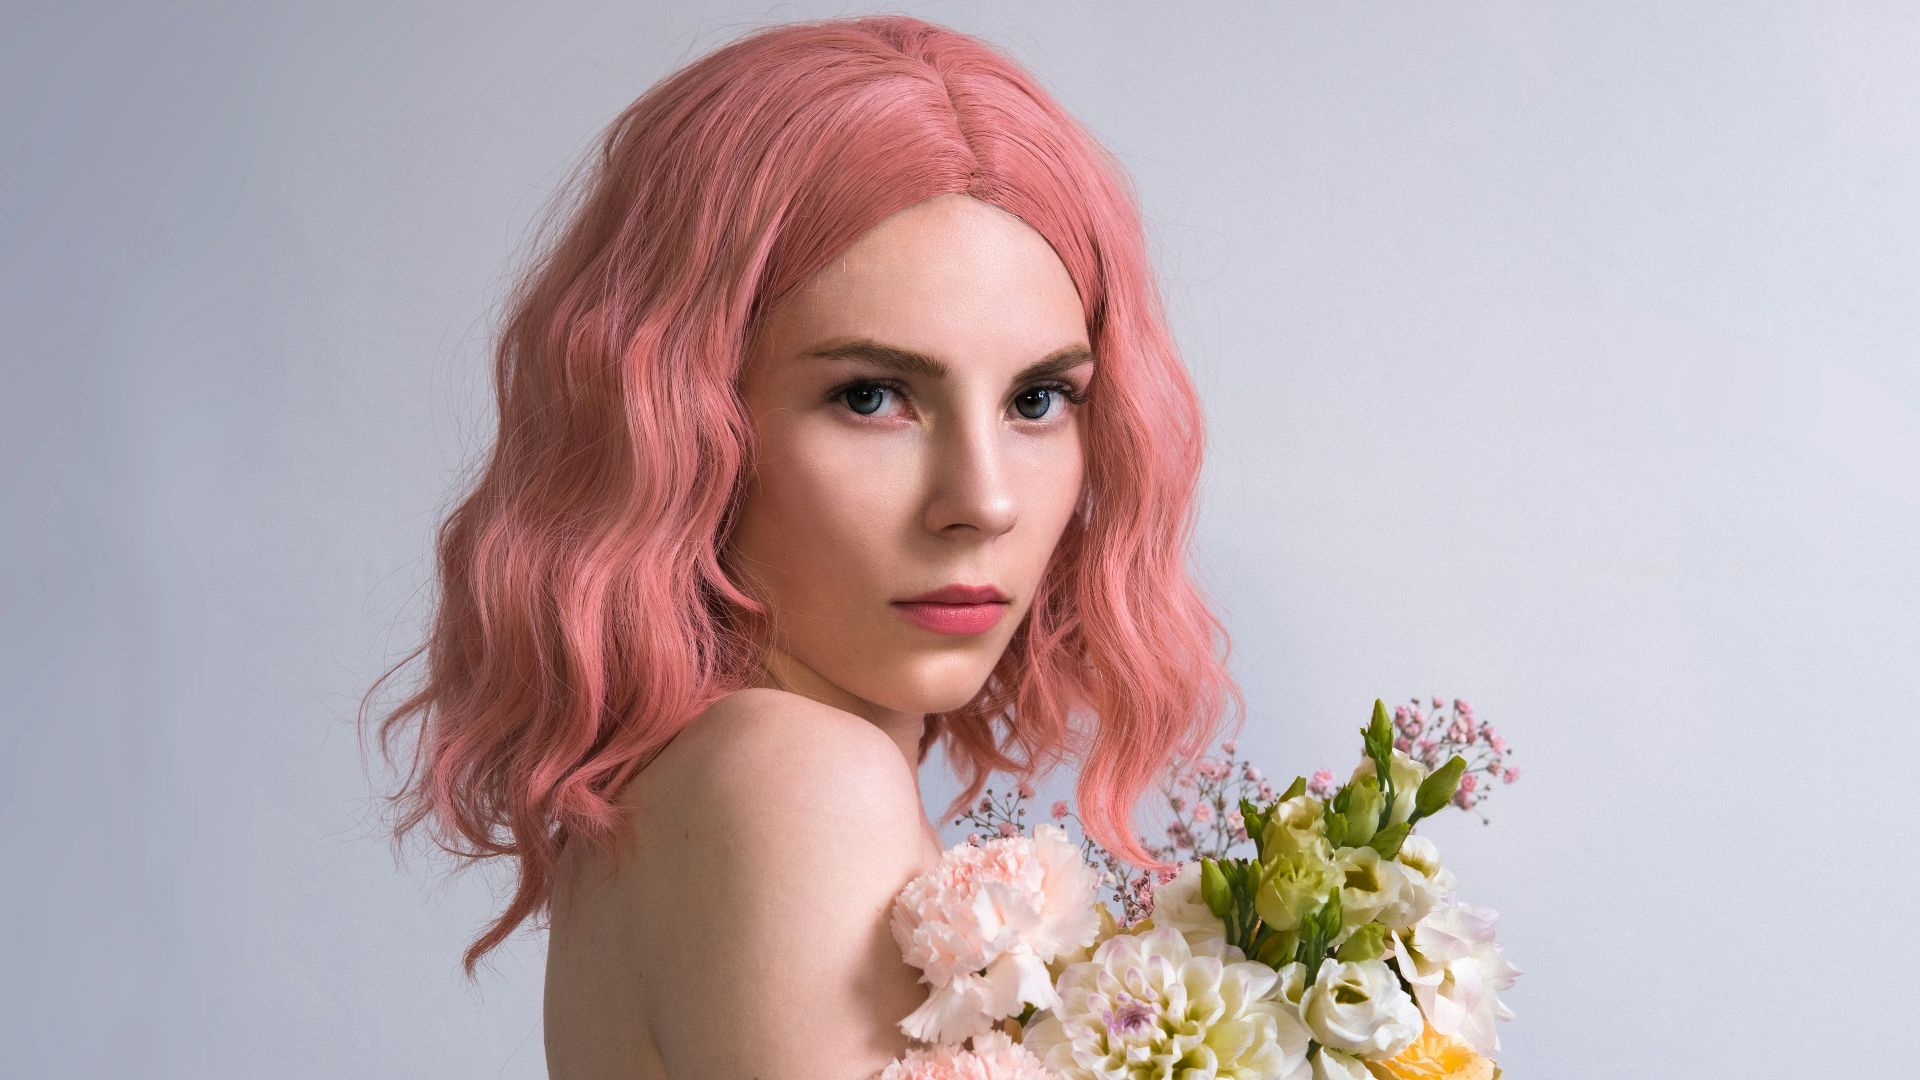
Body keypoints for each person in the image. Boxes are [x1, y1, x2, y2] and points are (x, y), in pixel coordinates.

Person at [360, 14, 1243, 1077]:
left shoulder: (696, 783)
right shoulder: (796, 782)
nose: (983, 501)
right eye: (871, 397)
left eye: (1039, 398)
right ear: (685, 423)